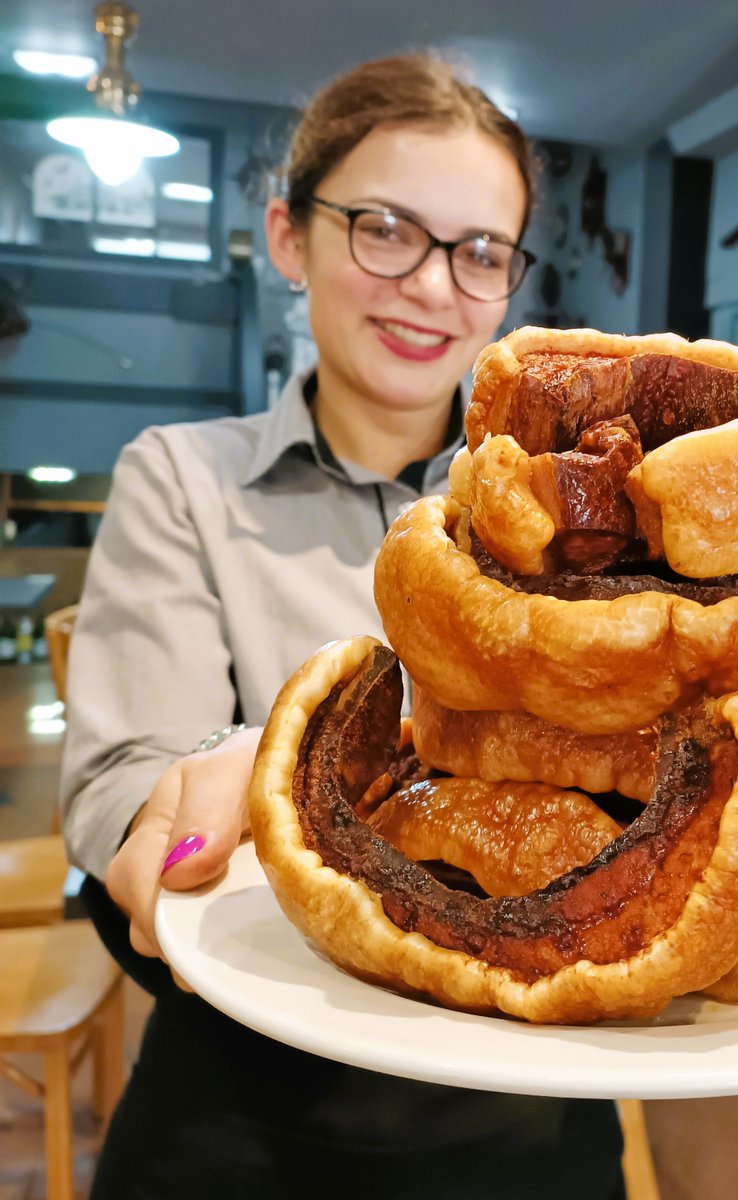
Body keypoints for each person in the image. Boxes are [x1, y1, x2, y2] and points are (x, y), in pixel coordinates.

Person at [59, 53, 625, 1200]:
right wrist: (197, 804)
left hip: (525, 1105)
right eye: (383, 228)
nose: (429, 285)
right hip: (242, 1099)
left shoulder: (589, 527)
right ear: (288, 236)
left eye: (478, 254)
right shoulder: (181, 478)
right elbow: (122, 780)